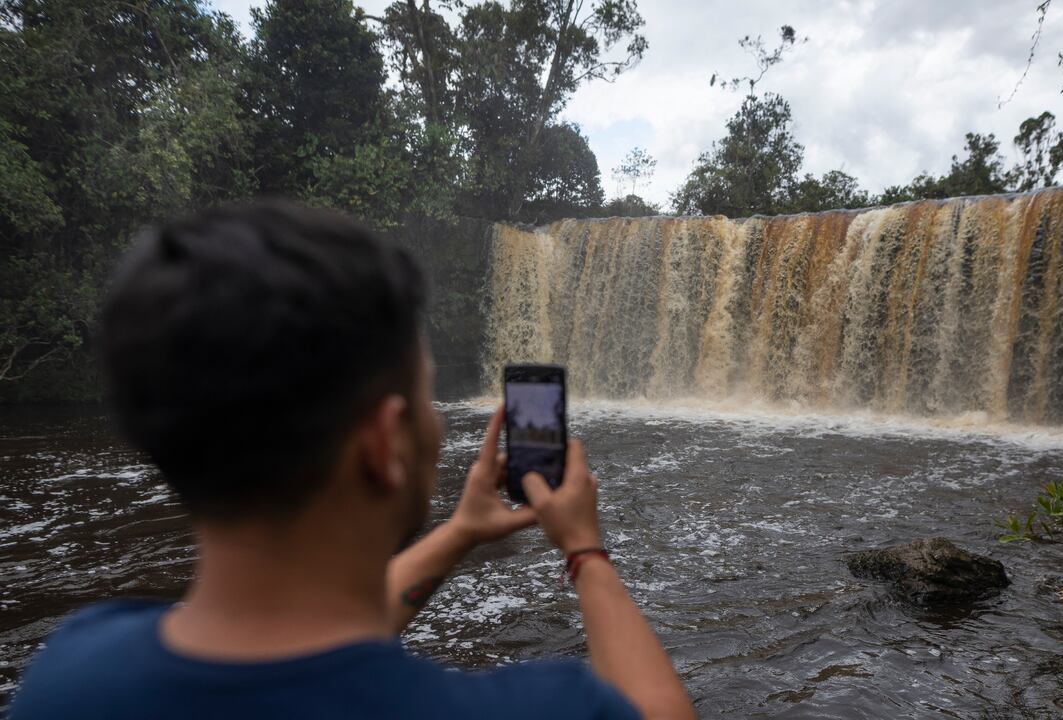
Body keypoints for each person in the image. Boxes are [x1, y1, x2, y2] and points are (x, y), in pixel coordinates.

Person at [10, 202, 695, 720]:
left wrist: (458, 533)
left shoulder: (69, 676)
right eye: (425, 396)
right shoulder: (542, 706)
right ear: (383, 441)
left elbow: (314, 644)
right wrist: (585, 552)